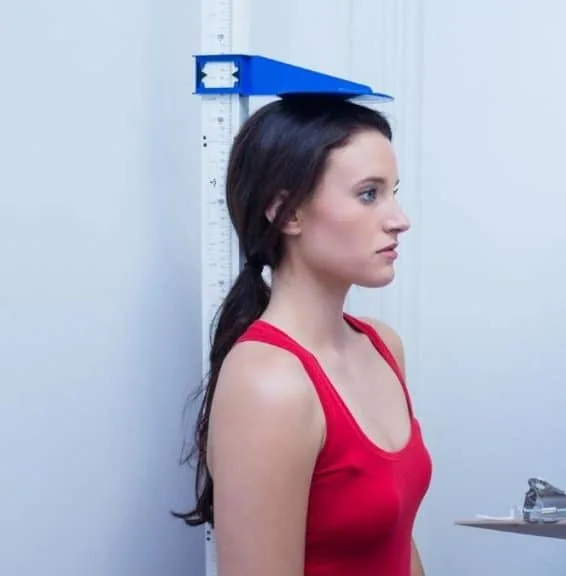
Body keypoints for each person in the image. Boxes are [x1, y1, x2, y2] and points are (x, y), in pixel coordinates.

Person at [172, 94, 431, 576]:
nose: (399, 219)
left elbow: (395, 541)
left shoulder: (382, 346)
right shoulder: (267, 384)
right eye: (369, 194)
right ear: (286, 212)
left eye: (395, 191)